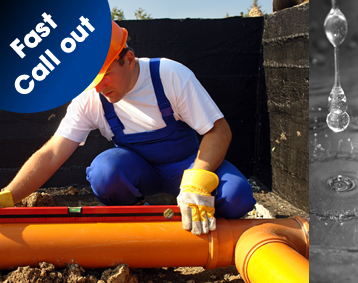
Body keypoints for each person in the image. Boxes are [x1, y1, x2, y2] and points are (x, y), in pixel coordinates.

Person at [0, 21, 256, 235]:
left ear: (129, 59)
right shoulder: (90, 98)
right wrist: (9, 197)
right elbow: (53, 152)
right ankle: (140, 224)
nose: (99, 87)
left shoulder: (169, 75)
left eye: (105, 77)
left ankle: (210, 234)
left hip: (187, 165)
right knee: (105, 172)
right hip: (139, 171)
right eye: (93, 82)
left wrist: (196, 183)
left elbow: (219, 131)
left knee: (236, 197)